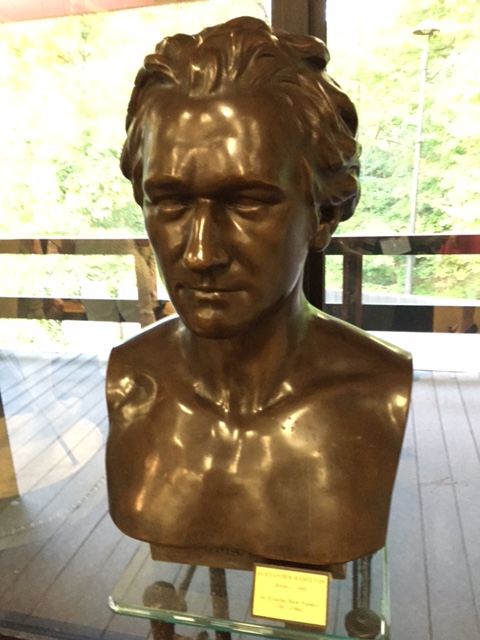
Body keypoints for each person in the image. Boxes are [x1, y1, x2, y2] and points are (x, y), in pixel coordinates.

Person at [106, 17, 412, 570]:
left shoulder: (379, 391)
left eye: (247, 202)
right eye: (171, 202)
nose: (201, 254)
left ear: (323, 214)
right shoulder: (130, 381)